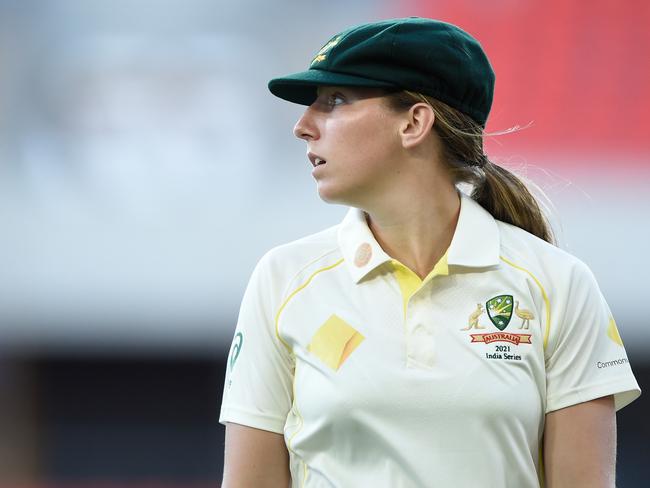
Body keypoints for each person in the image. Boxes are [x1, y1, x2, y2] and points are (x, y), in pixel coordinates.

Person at [219, 17, 641, 488]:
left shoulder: (558, 284)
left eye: (334, 101)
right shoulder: (284, 279)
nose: (302, 126)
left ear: (415, 121)